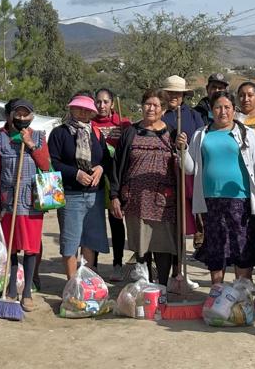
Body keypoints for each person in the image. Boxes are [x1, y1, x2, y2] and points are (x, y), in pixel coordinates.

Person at [182, 91, 255, 286]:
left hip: (241, 200)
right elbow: (189, 168)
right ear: (212, 111)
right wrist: (183, 150)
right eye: (218, 108)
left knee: (242, 246)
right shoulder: (201, 134)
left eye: (227, 107)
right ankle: (217, 292)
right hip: (210, 200)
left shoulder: (247, 134)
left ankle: (242, 293)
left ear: (234, 109)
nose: (223, 111)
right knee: (216, 247)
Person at [111, 91, 182, 287]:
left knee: (163, 245)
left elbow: (184, 165)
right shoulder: (130, 132)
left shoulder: (173, 133)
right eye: (147, 104)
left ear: (164, 109)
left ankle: (162, 287)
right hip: (135, 199)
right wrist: (115, 195)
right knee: (142, 246)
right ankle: (145, 287)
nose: (151, 108)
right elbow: (117, 165)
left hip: (164, 201)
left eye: (156, 105)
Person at [0, 100, 50, 311]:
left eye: (26, 115)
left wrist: (31, 145)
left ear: (32, 117)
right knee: (12, 246)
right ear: (11, 115)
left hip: (31, 201)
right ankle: (12, 287)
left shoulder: (39, 137)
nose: (22, 119)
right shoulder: (1, 138)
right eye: (18, 114)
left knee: (31, 247)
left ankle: (27, 292)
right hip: (8, 200)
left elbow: (46, 165)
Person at [49, 94, 111, 280]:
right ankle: (72, 285)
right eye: (79, 108)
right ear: (71, 109)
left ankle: (86, 282)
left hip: (95, 195)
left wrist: (100, 168)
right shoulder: (60, 133)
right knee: (70, 241)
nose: (83, 112)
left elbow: (106, 159)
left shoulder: (96, 132)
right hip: (70, 195)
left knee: (89, 240)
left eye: (87, 110)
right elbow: (52, 162)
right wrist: (75, 174)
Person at [160, 75, 203, 289]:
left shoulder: (194, 117)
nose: (173, 97)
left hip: (187, 175)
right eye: (170, 93)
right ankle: (163, 274)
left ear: (184, 95)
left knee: (183, 225)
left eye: (177, 93)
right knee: (167, 225)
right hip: (163, 177)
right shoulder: (160, 115)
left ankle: (180, 272)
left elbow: (200, 144)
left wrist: (184, 147)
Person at [92, 88, 130, 279]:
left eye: (106, 102)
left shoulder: (123, 124)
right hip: (96, 179)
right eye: (98, 102)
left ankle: (117, 264)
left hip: (116, 179)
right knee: (96, 222)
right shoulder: (89, 124)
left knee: (116, 221)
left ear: (112, 104)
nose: (102, 106)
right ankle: (93, 265)